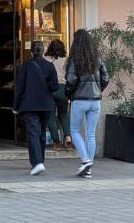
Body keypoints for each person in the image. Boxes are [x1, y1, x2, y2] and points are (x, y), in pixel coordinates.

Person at [65, 29, 109, 179]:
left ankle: (85, 160)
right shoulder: (98, 59)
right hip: (95, 101)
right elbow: (106, 79)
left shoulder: (75, 60)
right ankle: (88, 168)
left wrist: (69, 94)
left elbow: (71, 81)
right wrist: (97, 90)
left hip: (79, 100)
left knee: (75, 131)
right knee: (90, 134)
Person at [13, 40, 59, 175]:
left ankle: (37, 162)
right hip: (46, 105)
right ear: (43, 51)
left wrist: (16, 106)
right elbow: (55, 87)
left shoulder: (26, 66)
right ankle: (41, 161)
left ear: (31, 52)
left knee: (33, 132)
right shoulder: (50, 66)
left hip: (30, 105)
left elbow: (19, 87)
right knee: (41, 133)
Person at [44, 40, 72, 150]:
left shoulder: (46, 59)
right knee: (63, 114)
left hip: (50, 89)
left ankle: (56, 142)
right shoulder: (67, 60)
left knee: (51, 116)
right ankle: (68, 136)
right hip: (63, 89)